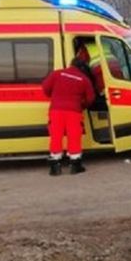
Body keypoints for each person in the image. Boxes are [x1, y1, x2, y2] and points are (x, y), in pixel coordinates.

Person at [41, 45, 96, 175]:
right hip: (74, 111)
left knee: (56, 136)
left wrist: (55, 97)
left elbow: (45, 88)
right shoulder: (84, 79)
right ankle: (75, 165)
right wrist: (82, 105)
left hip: (56, 110)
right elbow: (90, 98)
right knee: (74, 136)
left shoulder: (57, 74)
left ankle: (55, 167)